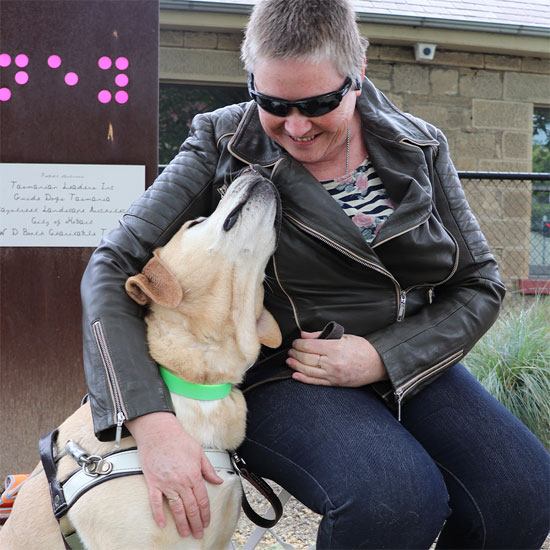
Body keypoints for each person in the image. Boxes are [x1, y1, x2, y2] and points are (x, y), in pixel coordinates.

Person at [80, 0, 550, 547]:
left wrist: (381, 356)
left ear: (358, 75)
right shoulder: (222, 140)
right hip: (284, 367)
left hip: (401, 357)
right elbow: (113, 265)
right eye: (272, 102)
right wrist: (150, 420)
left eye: (319, 103)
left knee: (524, 491)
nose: (296, 126)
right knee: (393, 499)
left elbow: (480, 283)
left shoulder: (420, 144)